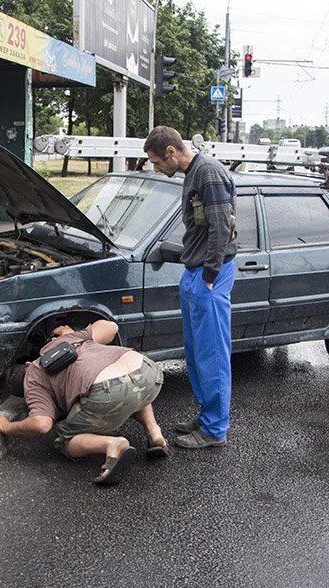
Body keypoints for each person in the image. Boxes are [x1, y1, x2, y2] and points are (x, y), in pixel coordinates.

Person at [0, 320, 168, 486]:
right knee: (135, 389)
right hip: (149, 371)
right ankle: (154, 434)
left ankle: (112, 445)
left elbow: (41, 424)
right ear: (28, 362)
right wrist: (71, 333)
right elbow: (111, 327)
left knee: (64, 438)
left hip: (112, 390)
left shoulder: (33, 380)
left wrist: (6, 426)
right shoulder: (59, 343)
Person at [143, 125, 237, 449]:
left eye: (157, 162)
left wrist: (209, 274)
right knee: (196, 354)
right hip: (195, 272)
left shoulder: (208, 172)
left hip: (211, 274)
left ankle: (214, 430)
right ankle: (206, 415)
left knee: (213, 355)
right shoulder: (193, 172)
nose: (156, 168)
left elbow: (221, 227)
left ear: (171, 152)